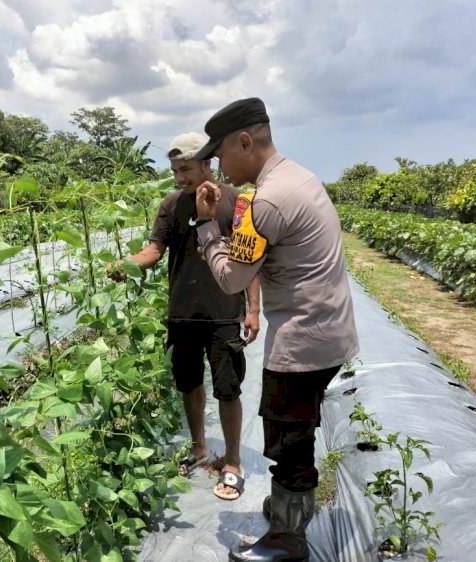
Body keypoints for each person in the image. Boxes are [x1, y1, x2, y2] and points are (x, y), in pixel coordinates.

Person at [192, 98, 359, 562]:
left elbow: (232, 280)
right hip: (330, 331)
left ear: (245, 141)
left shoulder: (266, 201)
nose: (218, 165)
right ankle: (290, 509)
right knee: (298, 428)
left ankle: (288, 539)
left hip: (302, 342)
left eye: (220, 153)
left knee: (290, 437)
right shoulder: (297, 178)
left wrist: (208, 226)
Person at [110, 131, 261, 501]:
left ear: (207, 162)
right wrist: (128, 264)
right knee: (189, 384)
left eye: (186, 169)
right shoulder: (171, 203)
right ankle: (198, 448)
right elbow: (154, 250)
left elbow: (249, 260)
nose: (180, 177)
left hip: (225, 313)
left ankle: (234, 461)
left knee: (228, 389)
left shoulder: (237, 202)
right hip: (183, 314)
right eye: (176, 170)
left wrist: (253, 309)